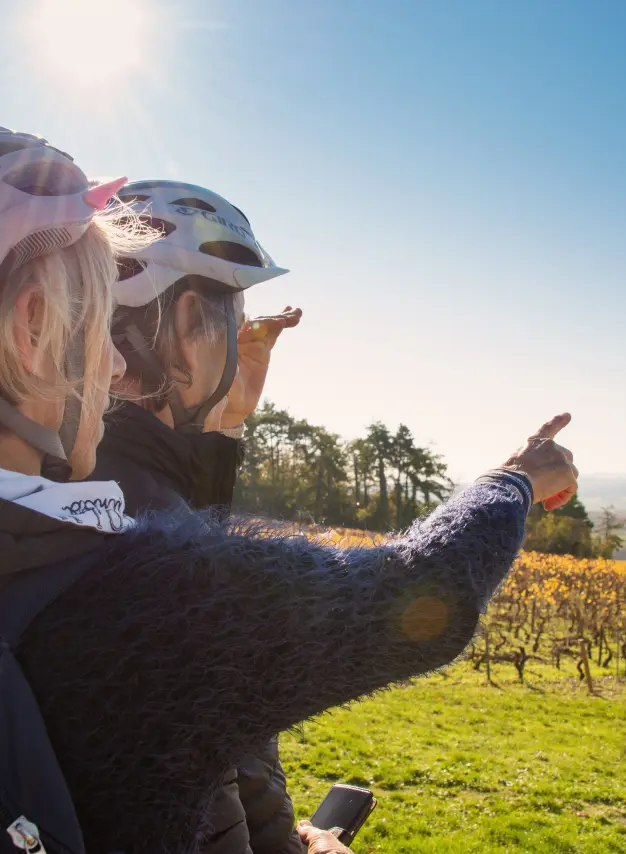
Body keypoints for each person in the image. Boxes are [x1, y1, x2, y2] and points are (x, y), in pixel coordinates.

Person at [0, 127, 579, 854]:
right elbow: (422, 592)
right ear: (31, 329)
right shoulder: (129, 584)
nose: (112, 364)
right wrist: (517, 478)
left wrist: (219, 427)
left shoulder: (67, 524)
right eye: (227, 316)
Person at [92, 180, 304, 854]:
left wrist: (222, 425)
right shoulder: (160, 567)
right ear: (189, 322)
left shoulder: (87, 487)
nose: (237, 336)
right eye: (229, 313)